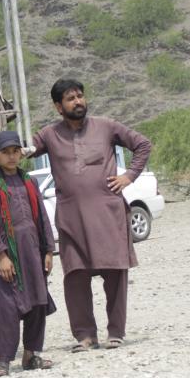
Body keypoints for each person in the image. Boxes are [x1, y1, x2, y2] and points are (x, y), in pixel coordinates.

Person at [31, 78, 152, 351]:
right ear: (58, 106)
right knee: (75, 277)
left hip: (108, 214)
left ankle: (115, 332)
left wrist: (129, 176)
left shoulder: (107, 127)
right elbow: (24, 151)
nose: (78, 102)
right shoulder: (49, 135)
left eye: (80, 96)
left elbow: (143, 144)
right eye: (71, 99)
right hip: (72, 218)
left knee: (115, 274)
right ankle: (85, 336)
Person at [0, 130, 57, 377]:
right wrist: (1, 255)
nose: (11, 157)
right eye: (6, 152)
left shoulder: (29, 181)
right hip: (10, 256)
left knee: (38, 301)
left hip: (34, 252)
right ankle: (4, 360)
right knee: (9, 307)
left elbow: (43, 218)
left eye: (15, 151)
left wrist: (48, 250)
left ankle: (31, 354)